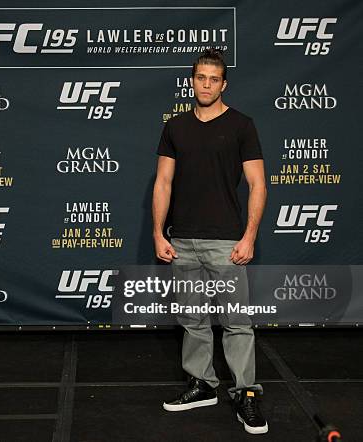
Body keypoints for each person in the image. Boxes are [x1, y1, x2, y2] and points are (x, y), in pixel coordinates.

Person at [152, 49, 268, 434]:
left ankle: (246, 394)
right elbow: (163, 182)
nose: (206, 84)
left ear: (223, 84)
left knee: (237, 323)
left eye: (213, 79)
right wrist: (158, 231)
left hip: (226, 242)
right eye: (200, 77)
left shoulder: (241, 125)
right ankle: (202, 384)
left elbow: (257, 184)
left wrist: (249, 236)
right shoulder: (176, 127)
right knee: (192, 320)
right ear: (192, 81)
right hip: (182, 240)